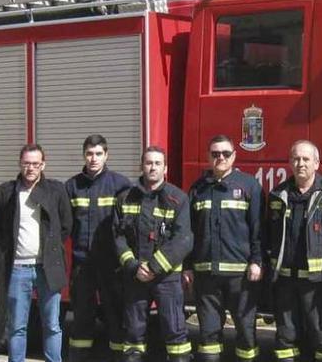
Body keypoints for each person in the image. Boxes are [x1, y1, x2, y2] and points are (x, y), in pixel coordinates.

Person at [183, 135, 264, 362]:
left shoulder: (249, 186)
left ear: (234, 156)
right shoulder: (198, 189)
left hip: (240, 275)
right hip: (206, 274)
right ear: (208, 157)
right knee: (208, 335)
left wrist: (257, 261)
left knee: (246, 332)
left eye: (225, 154)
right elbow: (188, 232)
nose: (220, 158)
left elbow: (258, 228)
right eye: (215, 153)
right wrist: (187, 266)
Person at [0, 144, 72, 362]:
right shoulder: (7, 191)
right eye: (27, 163)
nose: (31, 168)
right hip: (19, 268)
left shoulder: (56, 190)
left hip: (47, 268)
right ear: (20, 163)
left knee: (52, 325)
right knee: (17, 326)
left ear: (43, 165)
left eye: (36, 164)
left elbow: (66, 225)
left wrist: (52, 250)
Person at [112, 146, 193, 362]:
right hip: (135, 277)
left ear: (165, 168)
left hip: (167, 278)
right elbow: (118, 237)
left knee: (175, 331)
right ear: (141, 166)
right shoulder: (125, 198)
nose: (153, 167)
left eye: (158, 163)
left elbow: (183, 239)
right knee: (133, 332)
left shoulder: (178, 199)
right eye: (149, 163)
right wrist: (133, 266)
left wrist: (154, 267)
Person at [265, 140, 322, 362]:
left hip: (318, 282)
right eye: (296, 159)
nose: (301, 164)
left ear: (317, 163)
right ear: (290, 162)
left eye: (306, 159)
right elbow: (268, 234)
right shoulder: (278, 196)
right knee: (286, 337)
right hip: (286, 280)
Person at [66, 134, 132, 362]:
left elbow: (129, 224)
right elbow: (65, 224)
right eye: (89, 154)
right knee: (82, 315)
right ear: (84, 155)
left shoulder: (120, 184)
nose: (93, 159)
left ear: (106, 155)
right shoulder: (72, 186)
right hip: (82, 263)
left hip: (111, 263)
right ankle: (79, 357)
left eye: (98, 154)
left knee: (115, 314)